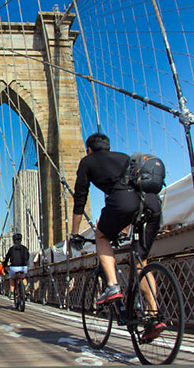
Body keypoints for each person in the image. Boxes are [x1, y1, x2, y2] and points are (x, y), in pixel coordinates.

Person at [70, 133, 162, 341]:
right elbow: (134, 190)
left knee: (101, 235)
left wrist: (75, 234)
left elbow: (80, 199)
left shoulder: (87, 161)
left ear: (89, 149)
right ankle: (155, 316)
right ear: (108, 147)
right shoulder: (123, 157)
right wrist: (122, 230)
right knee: (141, 261)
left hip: (123, 202)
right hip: (152, 203)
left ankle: (112, 285)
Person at [2, 233, 29, 300]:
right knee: (23, 277)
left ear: (13, 240)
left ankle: (11, 293)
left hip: (14, 267)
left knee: (12, 278)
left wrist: (4, 266)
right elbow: (27, 257)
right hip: (23, 267)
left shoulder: (11, 249)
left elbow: (6, 258)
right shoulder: (25, 248)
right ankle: (26, 287)